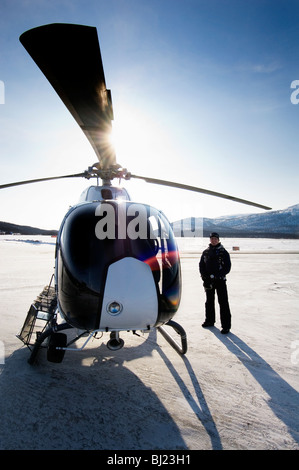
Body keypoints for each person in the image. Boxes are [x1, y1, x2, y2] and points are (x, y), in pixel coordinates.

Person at [199, 232, 232, 334]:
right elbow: (201, 266)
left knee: (223, 303)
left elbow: (227, 267)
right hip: (209, 281)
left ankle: (226, 326)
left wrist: (217, 275)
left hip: (220, 281)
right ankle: (209, 320)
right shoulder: (206, 252)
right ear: (210, 240)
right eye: (212, 239)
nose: (213, 240)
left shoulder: (223, 252)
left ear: (218, 240)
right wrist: (205, 277)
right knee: (209, 301)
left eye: (215, 239)